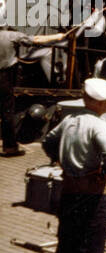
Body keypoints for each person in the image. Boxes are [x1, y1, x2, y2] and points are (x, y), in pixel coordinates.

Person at [42, 77, 106, 253]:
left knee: (67, 242)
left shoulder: (69, 120)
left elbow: (48, 141)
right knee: (91, 244)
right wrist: (105, 171)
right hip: (92, 194)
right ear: (102, 103)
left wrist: (57, 158)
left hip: (69, 191)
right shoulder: (100, 126)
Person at [1, 25, 66, 157]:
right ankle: (10, 147)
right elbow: (36, 39)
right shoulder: (10, 36)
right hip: (4, 77)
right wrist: (58, 36)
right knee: (7, 112)